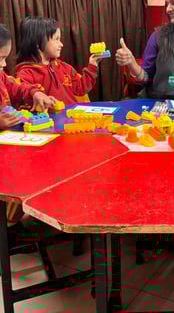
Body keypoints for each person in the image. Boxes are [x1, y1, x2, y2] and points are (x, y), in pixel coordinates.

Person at [0, 24, 56, 228]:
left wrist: (34, 92)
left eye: (5, 57)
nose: (4, 64)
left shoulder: (1, 75)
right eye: (0, 58)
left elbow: (14, 85)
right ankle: (10, 223)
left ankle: (16, 218)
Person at [16, 16, 100, 105]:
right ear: (37, 42)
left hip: (71, 116)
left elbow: (80, 89)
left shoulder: (65, 68)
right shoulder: (26, 73)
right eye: (56, 39)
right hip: (49, 118)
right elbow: (22, 90)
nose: (61, 44)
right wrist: (35, 93)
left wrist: (92, 65)